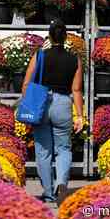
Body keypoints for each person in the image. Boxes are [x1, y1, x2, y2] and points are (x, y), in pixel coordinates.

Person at [22, 19, 84, 203]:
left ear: (49, 36)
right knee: (63, 149)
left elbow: (26, 84)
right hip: (63, 104)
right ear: (65, 37)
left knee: (43, 151)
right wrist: (80, 116)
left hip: (41, 104)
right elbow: (76, 89)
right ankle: (61, 185)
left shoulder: (39, 55)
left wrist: (28, 107)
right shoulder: (75, 59)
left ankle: (48, 194)